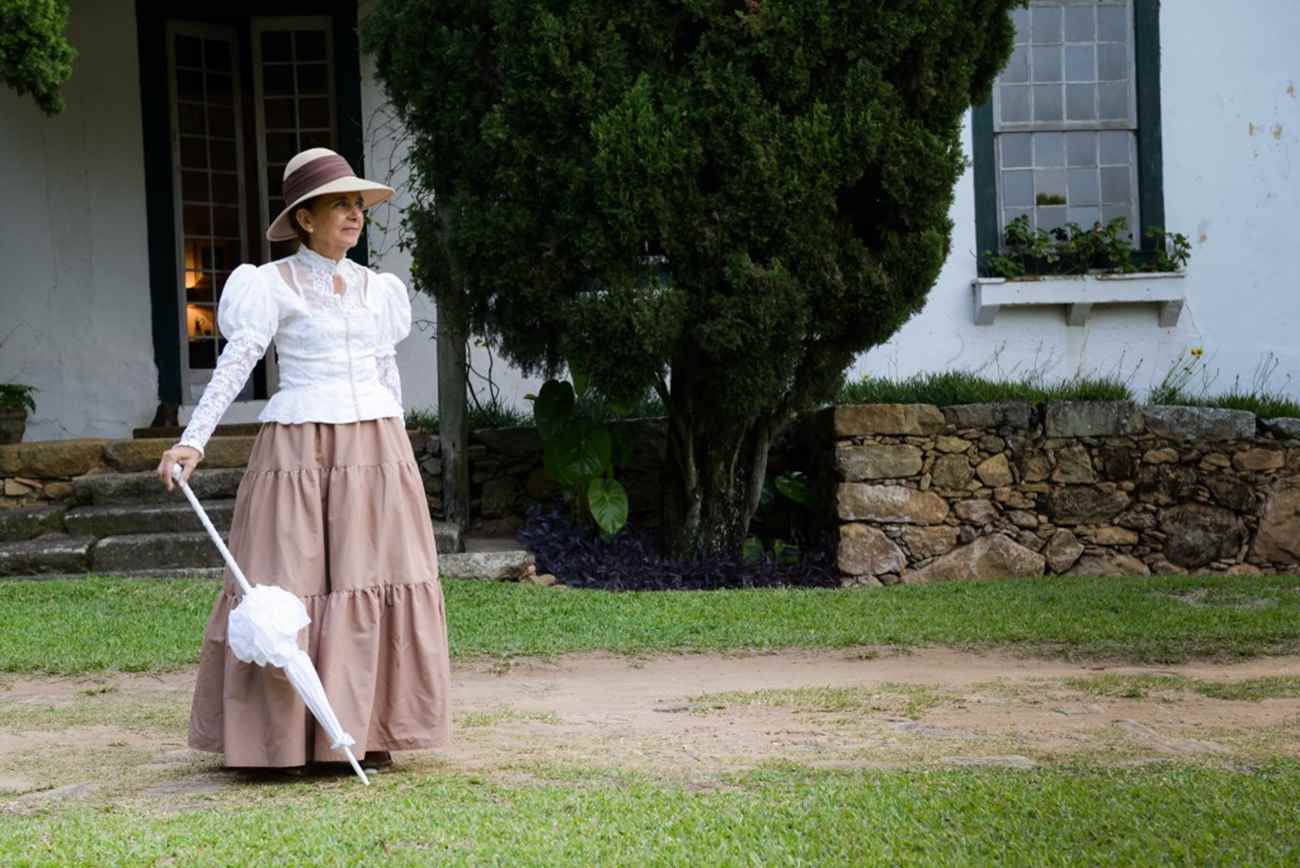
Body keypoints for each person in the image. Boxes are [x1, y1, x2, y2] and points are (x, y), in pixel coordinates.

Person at [156, 147, 450, 772]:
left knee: (369, 582)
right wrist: (194, 439)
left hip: (374, 449)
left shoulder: (379, 289)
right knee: (289, 581)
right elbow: (237, 362)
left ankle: (364, 729)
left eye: (358, 204)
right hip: (299, 449)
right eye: (340, 203)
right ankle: (286, 738)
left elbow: (384, 370)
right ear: (305, 217)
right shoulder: (271, 285)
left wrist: (398, 448)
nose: (354, 213)